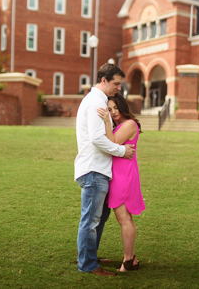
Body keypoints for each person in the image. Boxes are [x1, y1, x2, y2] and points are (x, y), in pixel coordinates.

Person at [74, 63, 134, 277]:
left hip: (100, 170)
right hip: (93, 170)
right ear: (104, 80)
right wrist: (121, 151)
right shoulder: (94, 102)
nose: (118, 87)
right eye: (116, 83)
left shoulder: (99, 101)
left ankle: (90, 256)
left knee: (98, 218)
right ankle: (87, 264)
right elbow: (97, 139)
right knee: (90, 220)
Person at [96, 92, 145, 272]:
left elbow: (114, 143)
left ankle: (128, 261)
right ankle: (131, 258)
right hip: (118, 175)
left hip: (123, 176)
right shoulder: (119, 126)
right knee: (123, 218)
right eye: (109, 109)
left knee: (124, 218)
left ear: (123, 106)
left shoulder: (129, 124)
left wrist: (107, 122)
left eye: (116, 108)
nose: (113, 112)